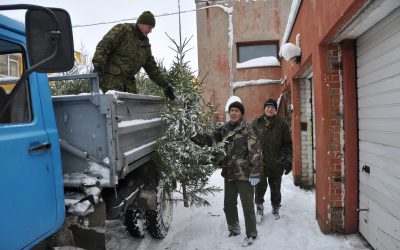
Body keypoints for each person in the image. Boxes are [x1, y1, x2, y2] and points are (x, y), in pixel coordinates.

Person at [192, 100, 263, 247]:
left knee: (247, 206)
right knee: (229, 204)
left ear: (241, 113)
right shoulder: (224, 129)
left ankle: (251, 233)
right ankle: (234, 228)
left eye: (236, 110)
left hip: (245, 175)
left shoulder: (248, 130)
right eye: (231, 110)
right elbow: (209, 139)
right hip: (229, 173)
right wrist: (192, 135)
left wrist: (255, 174)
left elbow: (256, 153)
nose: (233, 112)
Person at [92, 11, 175, 100]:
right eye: (149, 27)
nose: (150, 31)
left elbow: (152, 68)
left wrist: (165, 85)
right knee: (111, 110)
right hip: (110, 83)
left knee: (134, 108)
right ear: (141, 23)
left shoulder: (145, 44)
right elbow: (104, 46)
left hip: (129, 85)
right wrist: (98, 65)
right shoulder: (123, 30)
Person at [251, 98, 292, 222]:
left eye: (272, 107)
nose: (270, 109)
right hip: (259, 163)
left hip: (276, 161)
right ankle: (259, 207)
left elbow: (287, 144)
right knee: (259, 187)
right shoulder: (256, 123)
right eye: (268, 107)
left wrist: (288, 160)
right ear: (264, 109)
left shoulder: (282, 124)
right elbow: (249, 142)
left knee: (275, 188)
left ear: (275, 110)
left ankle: (275, 207)